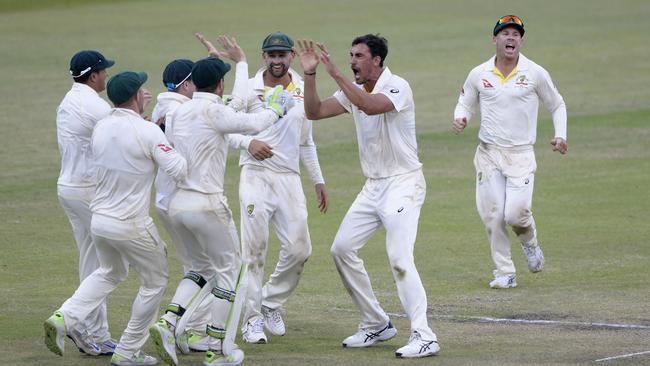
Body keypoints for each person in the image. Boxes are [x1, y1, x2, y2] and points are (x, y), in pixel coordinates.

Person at [148, 36, 293, 366]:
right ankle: (218, 348)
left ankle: (168, 323)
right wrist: (277, 107)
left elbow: (233, 119)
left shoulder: (180, 112)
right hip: (206, 205)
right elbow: (253, 121)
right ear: (219, 83)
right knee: (233, 274)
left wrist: (241, 66)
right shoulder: (213, 111)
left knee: (200, 269)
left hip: (178, 205)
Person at [296, 34, 440, 358]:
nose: (352, 61)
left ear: (377, 60)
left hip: (404, 183)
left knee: (400, 260)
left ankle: (424, 335)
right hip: (373, 186)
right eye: (350, 55)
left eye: (359, 56)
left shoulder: (397, 86)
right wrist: (309, 74)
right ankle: (376, 323)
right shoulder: (354, 91)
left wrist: (335, 73)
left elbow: (371, 107)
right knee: (341, 249)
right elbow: (314, 111)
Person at [44, 70, 188, 366]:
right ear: (137, 97)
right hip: (131, 224)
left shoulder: (102, 126)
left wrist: (152, 135)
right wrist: (170, 140)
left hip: (100, 221)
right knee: (155, 280)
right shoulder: (147, 132)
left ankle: (64, 317)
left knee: (110, 272)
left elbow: (129, 142)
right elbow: (179, 170)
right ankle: (128, 350)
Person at [198, 31, 329, 344]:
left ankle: (269, 302)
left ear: (291, 57)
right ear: (264, 58)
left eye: (282, 55)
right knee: (254, 251)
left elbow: (306, 141)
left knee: (301, 249)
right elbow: (224, 129)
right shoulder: (248, 88)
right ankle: (252, 320)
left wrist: (318, 179)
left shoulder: (300, 88)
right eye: (272, 56)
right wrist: (249, 142)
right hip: (255, 174)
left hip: (289, 177)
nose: (277, 61)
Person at [452, 15, 568, 289]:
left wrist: (560, 135)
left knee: (515, 215)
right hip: (489, 153)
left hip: (521, 154)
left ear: (521, 41)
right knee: (492, 215)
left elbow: (557, 104)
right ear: (495, 40)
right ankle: (505, 272)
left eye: (516, 34)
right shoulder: (479, 73)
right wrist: (461, 117)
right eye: (505, 33)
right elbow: (465, 102)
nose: (511, 38)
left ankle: (530, 243)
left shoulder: (535, 73)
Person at [54, 49, 116, 355]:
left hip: (69, 188)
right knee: (110, 265)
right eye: (104, 71)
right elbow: (121, 133)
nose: (106, 76)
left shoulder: (70, 99)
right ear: (93, 76)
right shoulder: (93, 103)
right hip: (88, 191)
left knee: (93, 261)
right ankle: (77, 321)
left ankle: (91, 330)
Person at [150, 58, 214, 352]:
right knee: (209, 268)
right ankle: (175, 324)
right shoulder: (181, 111)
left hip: (164, 200)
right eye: (195, 83)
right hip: (182, 200)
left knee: (196, 266)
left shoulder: (162, 107)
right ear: (186, 84)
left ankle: (187, 329)